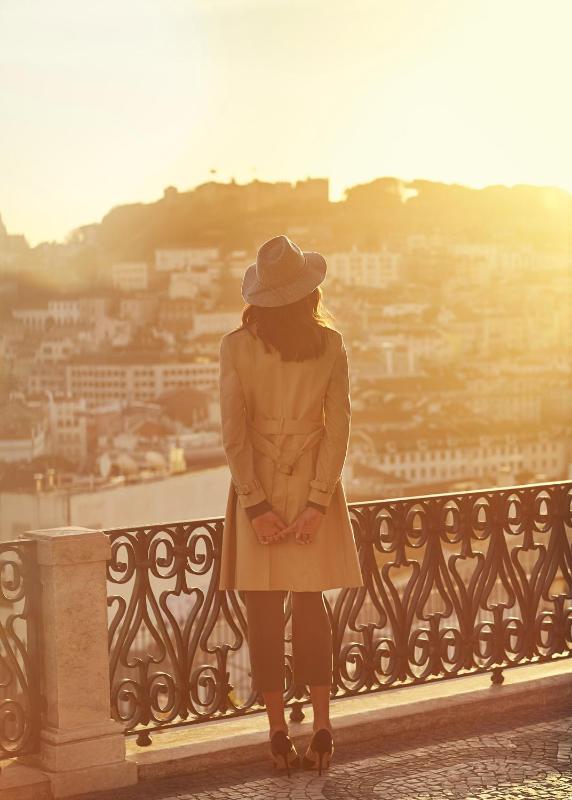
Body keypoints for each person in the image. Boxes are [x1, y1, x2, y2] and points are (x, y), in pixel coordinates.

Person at [218, 234, 364, 776]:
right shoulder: (331, 345)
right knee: (310, 608)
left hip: (256, 488)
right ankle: (323, 727)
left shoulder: (235, 347)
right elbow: (338, 430)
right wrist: (318, 500)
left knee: (262, 613)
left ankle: (278, 733)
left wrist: (255, 505)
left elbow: (233, 435)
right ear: (308, 293)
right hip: (310, 486)